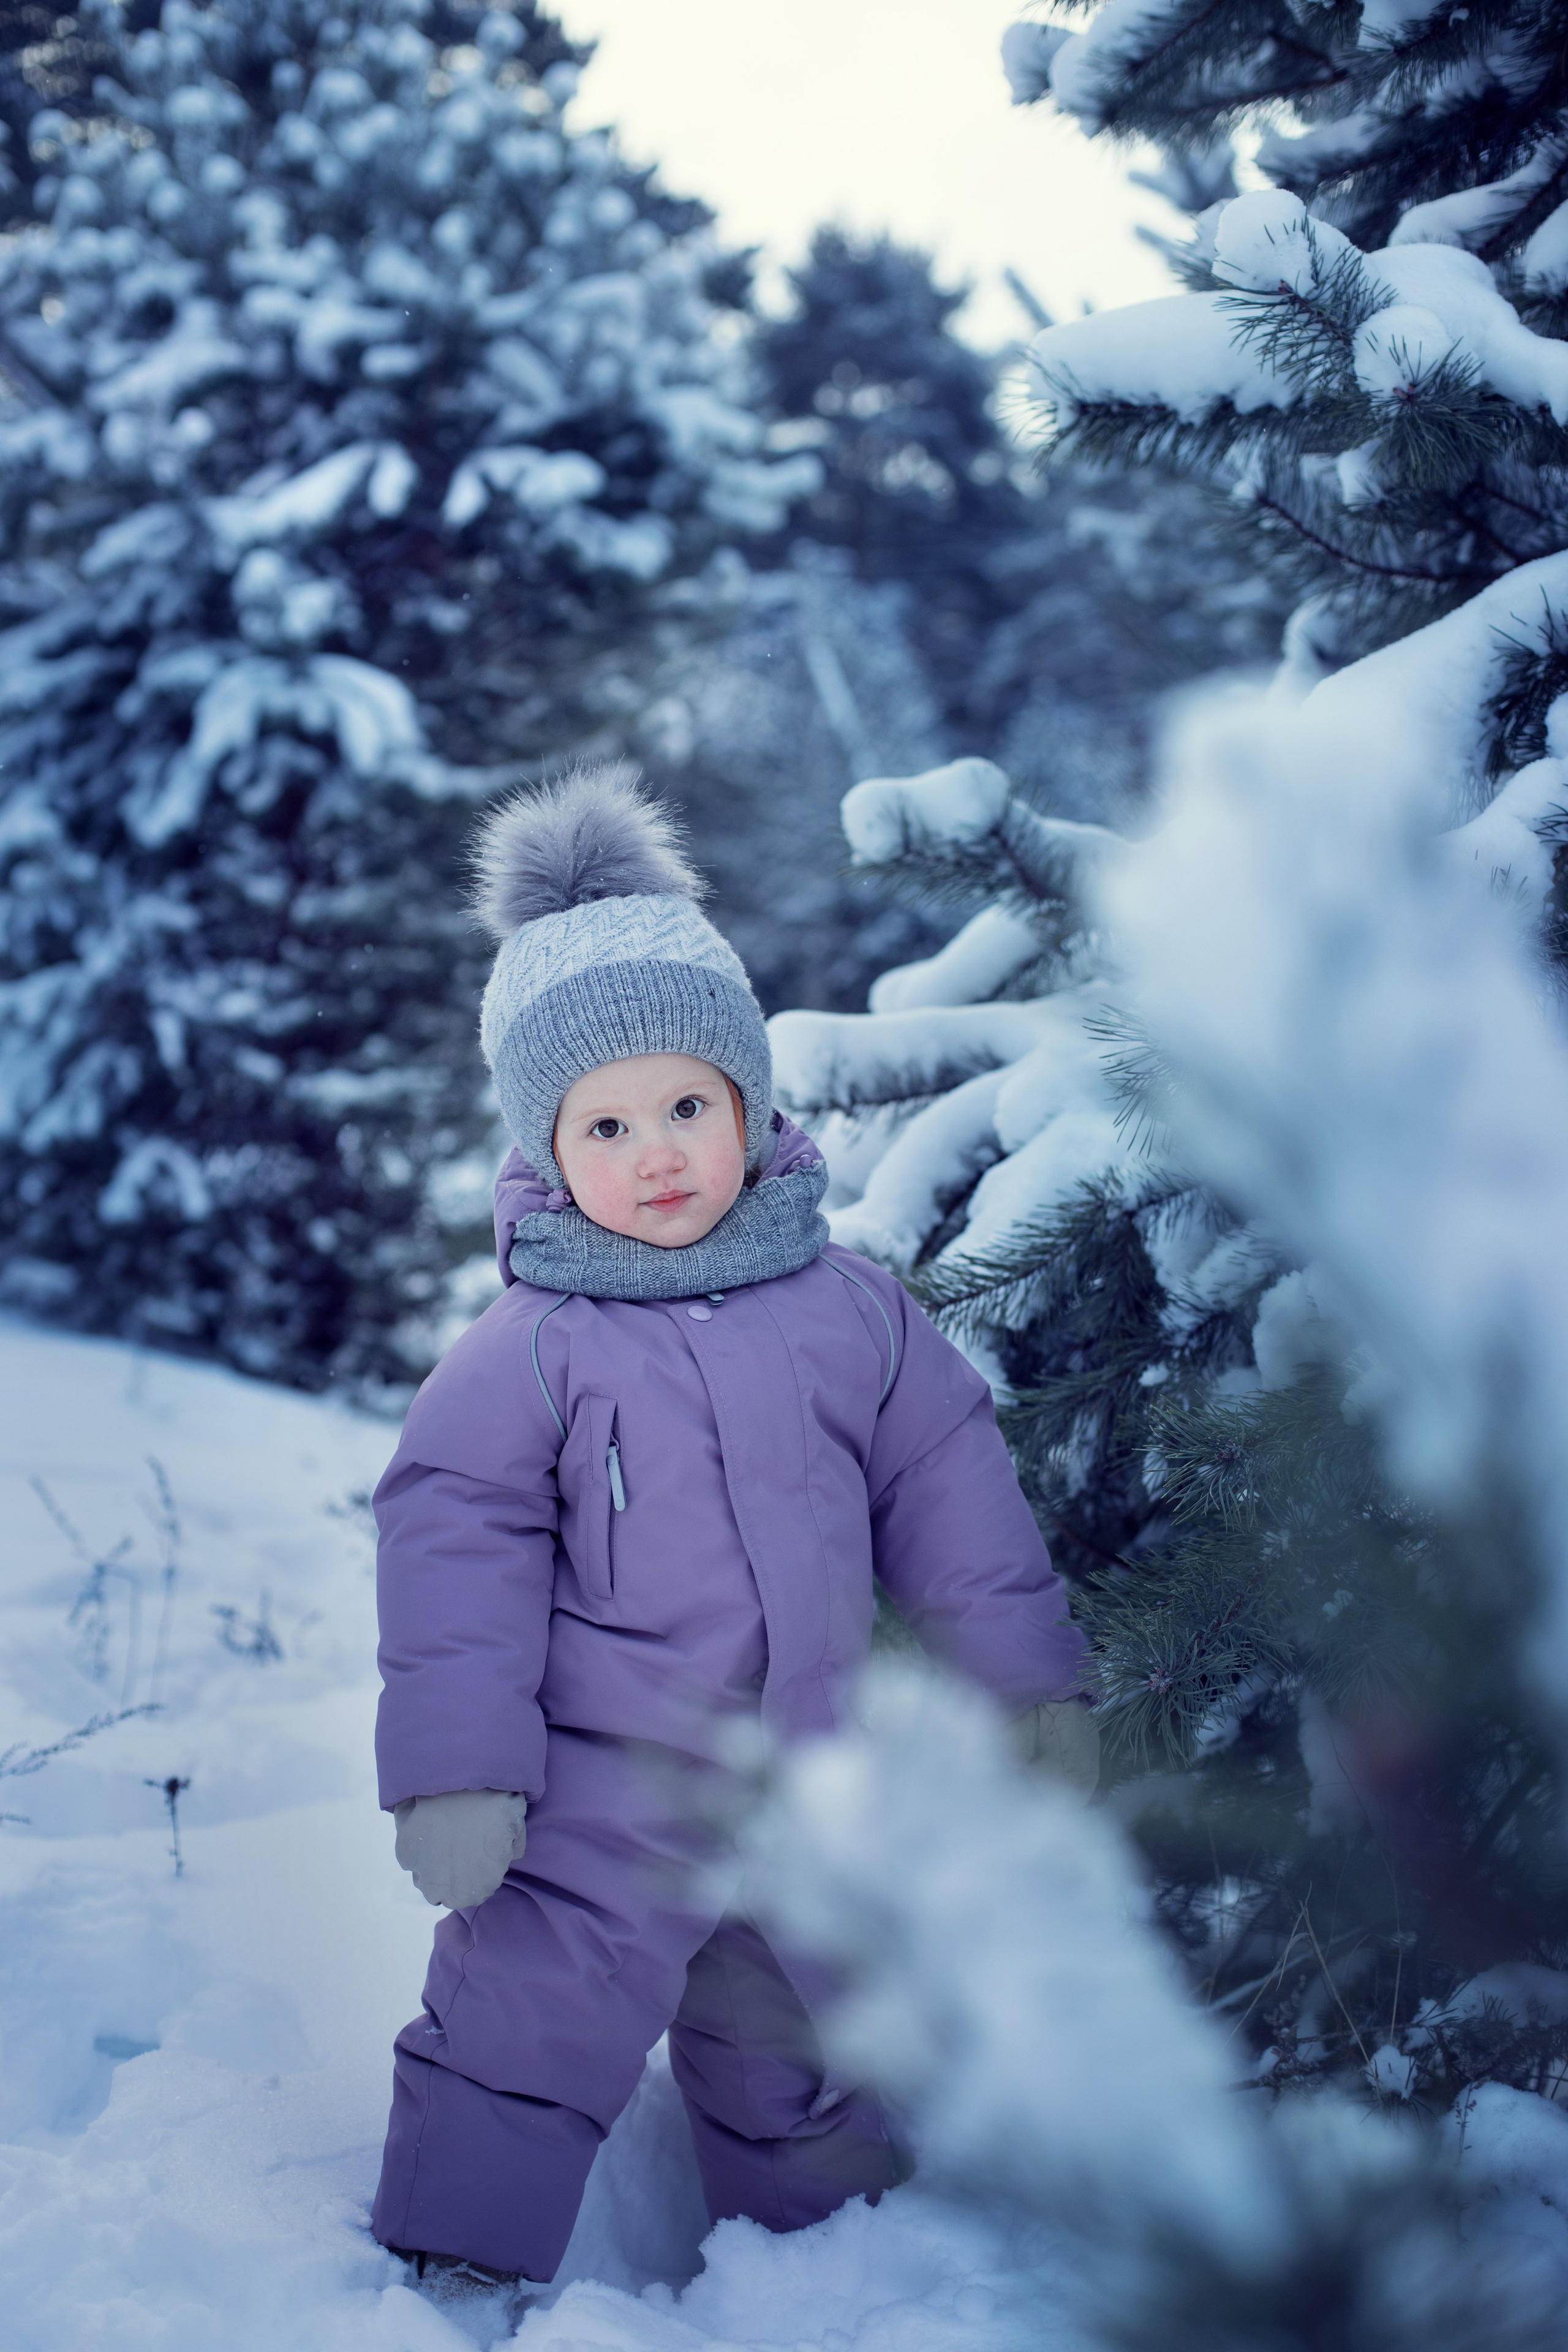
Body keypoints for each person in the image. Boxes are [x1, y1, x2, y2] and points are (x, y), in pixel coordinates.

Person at [369, 763, 1095, 2297]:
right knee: (523, 2022)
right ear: (543, 1154)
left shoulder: (850, 1311)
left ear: (748, 1102)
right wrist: (456, 1772)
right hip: (593, 1798)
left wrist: (1024, 1682)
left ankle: (820, 2280)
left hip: (805, 1777)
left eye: (689, 1105)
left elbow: (949, 1492)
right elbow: (456, 1554)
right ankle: (455, 2270)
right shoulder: (532, 1348)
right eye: (607, 1124)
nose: (657, 1154)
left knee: (811, 2039)